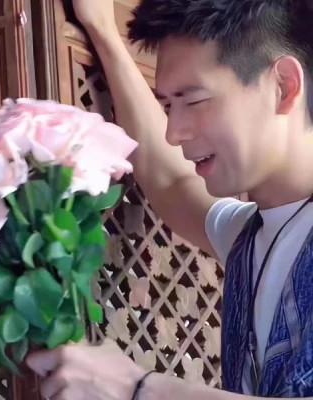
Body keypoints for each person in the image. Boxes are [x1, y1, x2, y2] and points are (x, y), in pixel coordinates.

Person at [26, 0, 313, 398]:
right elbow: (172, 180)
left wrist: (135, 388)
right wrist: (103, 32)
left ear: (283, 86)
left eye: (193, 101)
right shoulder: (253, 236)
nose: (173, 132)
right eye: (167, 105)